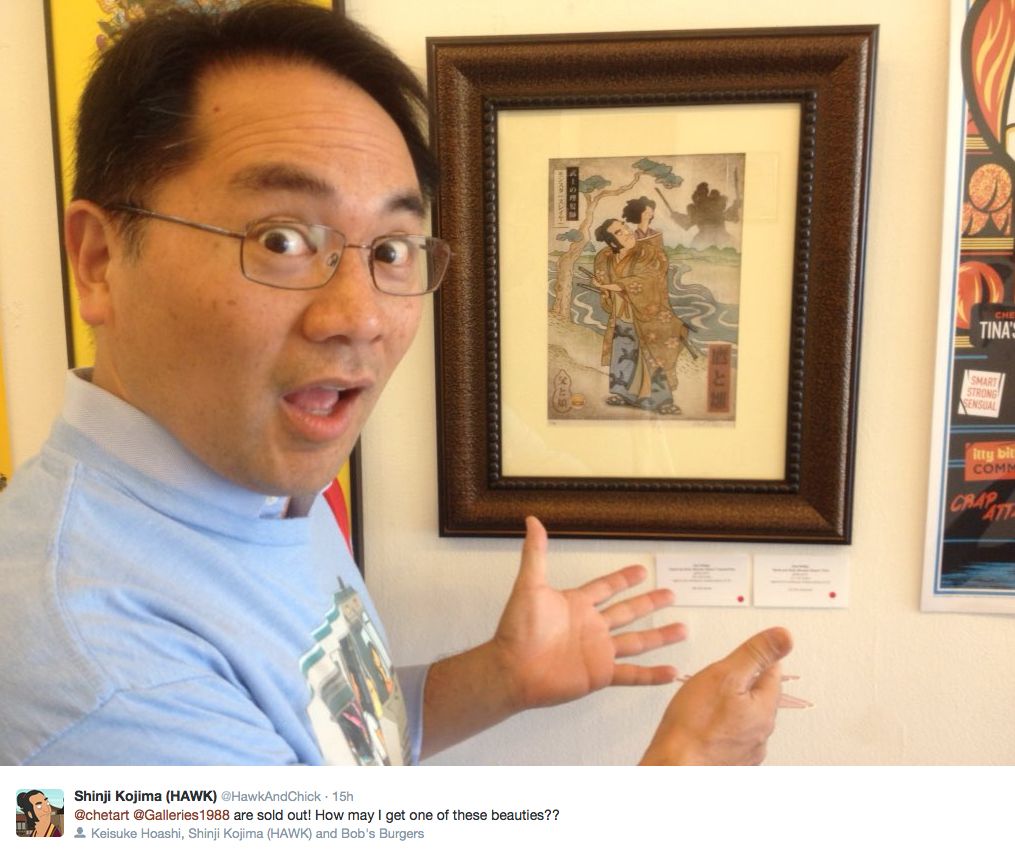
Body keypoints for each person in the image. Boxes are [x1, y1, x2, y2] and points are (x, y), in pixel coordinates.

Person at [0, 1, 792, 766]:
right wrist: (684, 774)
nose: (361, 317)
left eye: (390, 250)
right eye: (281, 239)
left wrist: (501, 677)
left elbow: (326, 743)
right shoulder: (97, 667)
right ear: (99, 260)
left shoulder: (259, 482)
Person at [593, 217, 690, 415]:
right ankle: (625, 394)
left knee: (653, 356)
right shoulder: (605, 257)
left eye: (625, 227)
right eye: (619, 232)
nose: (627, 232)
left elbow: (648, 279)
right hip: (621, 314)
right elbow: (603, 278)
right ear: (611, 241)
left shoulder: (647, 252)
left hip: (648, 315)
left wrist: (613, 286)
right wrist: (605, 287)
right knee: (623, 351)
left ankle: (662, 401)